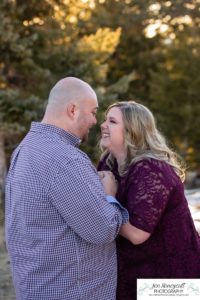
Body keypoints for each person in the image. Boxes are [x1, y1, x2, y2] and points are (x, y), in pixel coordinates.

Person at [5, 77, 129, 300]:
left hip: (36, 288)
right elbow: (103, 230)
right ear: (73, 110)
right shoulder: (64, 159)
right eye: (93, 112)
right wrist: (109, 195)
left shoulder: (25, 149)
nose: (95, 121)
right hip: (71, 291)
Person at [98, 101, 200, 300]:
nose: (103, 125)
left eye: (112, 121)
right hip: (135, 272)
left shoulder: (152, 170)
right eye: (104, 120)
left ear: (132, 131)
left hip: (171, 279)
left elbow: (137, 233)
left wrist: (109, 197)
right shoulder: (108, 163)